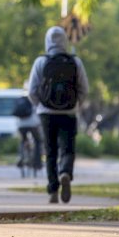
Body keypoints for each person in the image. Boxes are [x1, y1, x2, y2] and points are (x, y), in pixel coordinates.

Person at [27, 26, 89, 204]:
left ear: (47, 41)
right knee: (68, 149)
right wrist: (76, 104)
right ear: (65, 41)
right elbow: (84, 88)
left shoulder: (40, 62)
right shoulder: (75, 62)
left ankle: (53, 190)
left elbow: (31, 90)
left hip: (46, 114)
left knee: (51, 151)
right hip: (69, 113)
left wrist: (41, 105)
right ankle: (65, 173)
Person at [13, 94, 43, 173]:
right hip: (33, 124)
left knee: (23, 140)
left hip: (21, 124)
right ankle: (37, 163)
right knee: (37, 141)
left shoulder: (20, 99)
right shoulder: (34, 98)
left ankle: (21, 157)